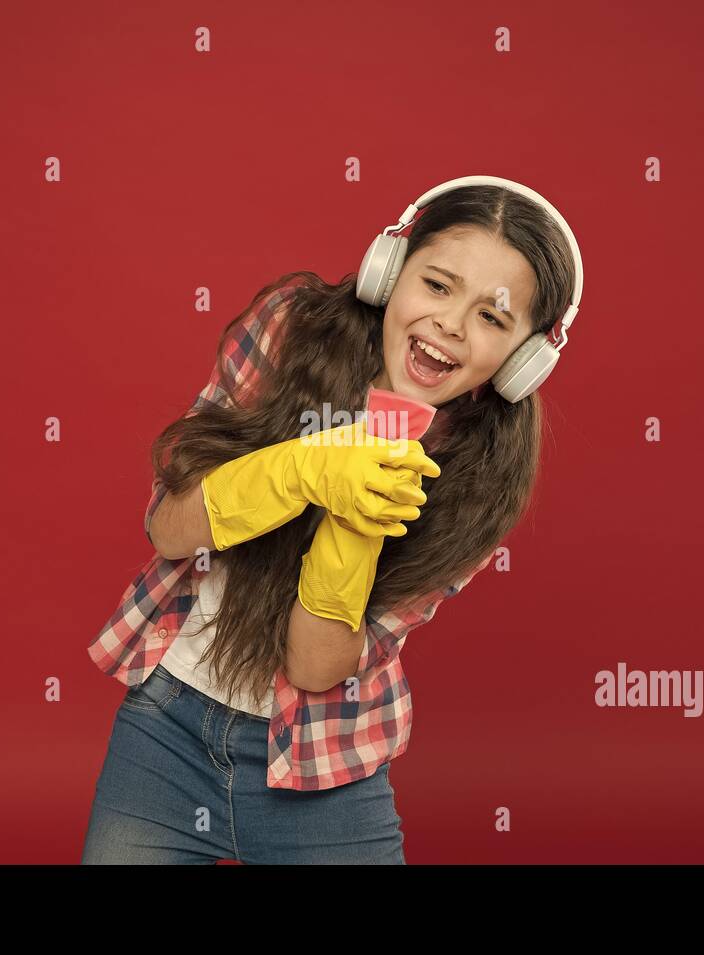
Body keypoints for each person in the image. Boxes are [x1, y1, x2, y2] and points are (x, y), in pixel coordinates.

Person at [82, 178, 582, 863]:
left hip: (320, 767)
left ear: (524, 360)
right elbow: (170, 529)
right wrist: (305, 467)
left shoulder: (482, 480)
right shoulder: (293, 331)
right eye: (436, 285)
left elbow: (315, 666)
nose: (451, 325)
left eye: (493, 319)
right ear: (389, 269)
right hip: (166, 730)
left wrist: (359, 516)